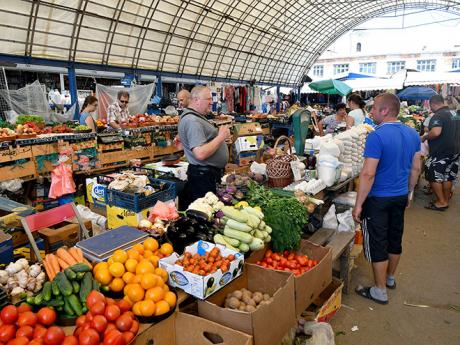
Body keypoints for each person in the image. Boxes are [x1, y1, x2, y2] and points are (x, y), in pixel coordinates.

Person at [353, 93, 421, 305]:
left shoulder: (377, 135)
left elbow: (368, 174)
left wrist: (358, 204)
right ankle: (389, 279)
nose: (371, 112)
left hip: (378, 199)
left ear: (385, 110)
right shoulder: (412, 133)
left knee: (377, 242)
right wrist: (409, 192)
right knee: (394, 238)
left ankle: (379, 290)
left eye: (374, 108)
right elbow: (416, 167)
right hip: (400, 196)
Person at [178, 86, 231, 209]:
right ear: (196, 100)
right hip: (204, 178)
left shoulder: (194, 118)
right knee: (206, 212)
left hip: (204, 175)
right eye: (208, 99)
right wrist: (220, 137)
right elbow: (200, 154)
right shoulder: (193, 121)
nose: (211, 102)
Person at [421, 95, 458, 211]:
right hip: (455, 151)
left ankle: (441, 202)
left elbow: (436, 132)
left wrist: (425, 137)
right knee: (447, 176)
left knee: (433, 175)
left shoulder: (438, 115)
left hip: (440, 151)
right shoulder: (455, 114)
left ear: (433, 104)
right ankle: (445, 200)